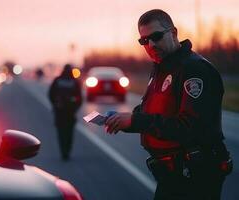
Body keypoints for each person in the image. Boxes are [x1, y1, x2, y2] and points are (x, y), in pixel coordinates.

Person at [104, 9, 232, 200]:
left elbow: (190, 127)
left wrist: (136, 121)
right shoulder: (161, 68)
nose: (151, 44)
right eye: (144, 40)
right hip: (173, 175)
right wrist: (124, 121)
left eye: (156, 36)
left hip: (196, 176)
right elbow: (152, 111)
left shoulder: (194, 69)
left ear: (173, 33)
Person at [48, 64, 82, 160]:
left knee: (61, 132)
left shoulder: (57, 81)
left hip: (60, 112)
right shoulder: (74, 82)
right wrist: (75, 108)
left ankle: (63, 151)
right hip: (70, 112)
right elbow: (80, 98)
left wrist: (55, 104)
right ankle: (67, 151)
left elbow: (50, 94)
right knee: (69, 133)